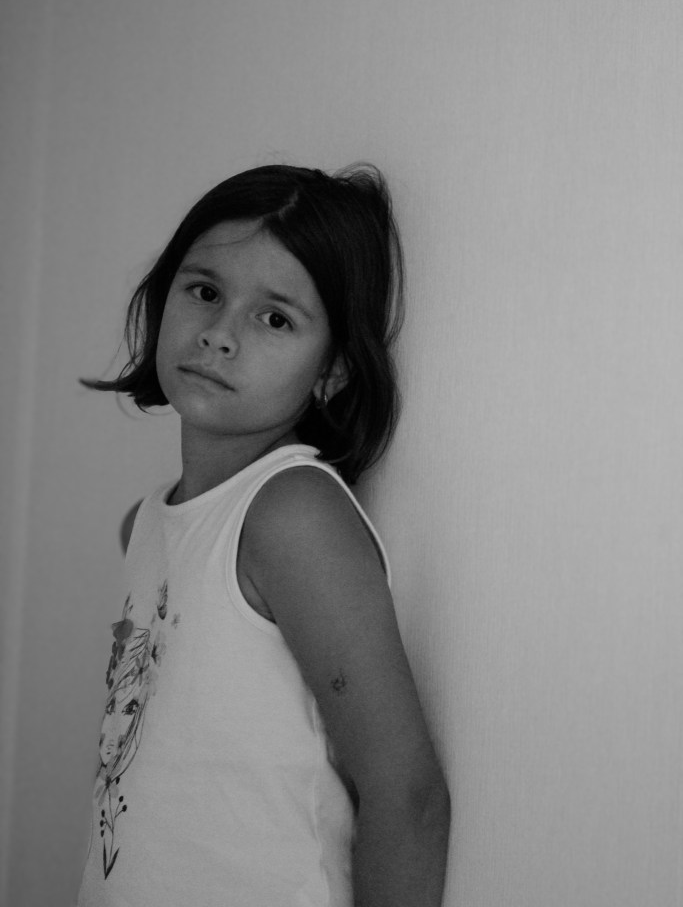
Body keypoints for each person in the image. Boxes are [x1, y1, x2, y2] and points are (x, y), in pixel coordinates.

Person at [76, 164, 450, 907]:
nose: (219, 335)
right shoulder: (146, 525)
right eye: (205, 291)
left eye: (274, 318)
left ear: (332, 370)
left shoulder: (290, 513)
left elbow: (406, 796)